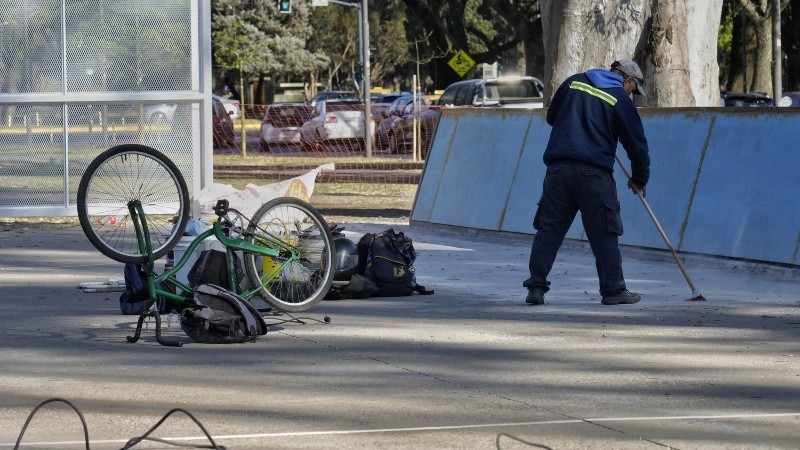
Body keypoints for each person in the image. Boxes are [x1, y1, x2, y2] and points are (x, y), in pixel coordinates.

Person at [523, 59, 651, 306]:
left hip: (558, 170)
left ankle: (536, 288)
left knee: (548, 230)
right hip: (594, 175)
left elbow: (552, 117)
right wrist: (639, 178)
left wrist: (581, 128)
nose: (631, 95)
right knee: (604, 233)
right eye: (633, 90)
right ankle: (613, 291)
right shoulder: (620, 99)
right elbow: (637, 145)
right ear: (627, 80)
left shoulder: (574, 82)